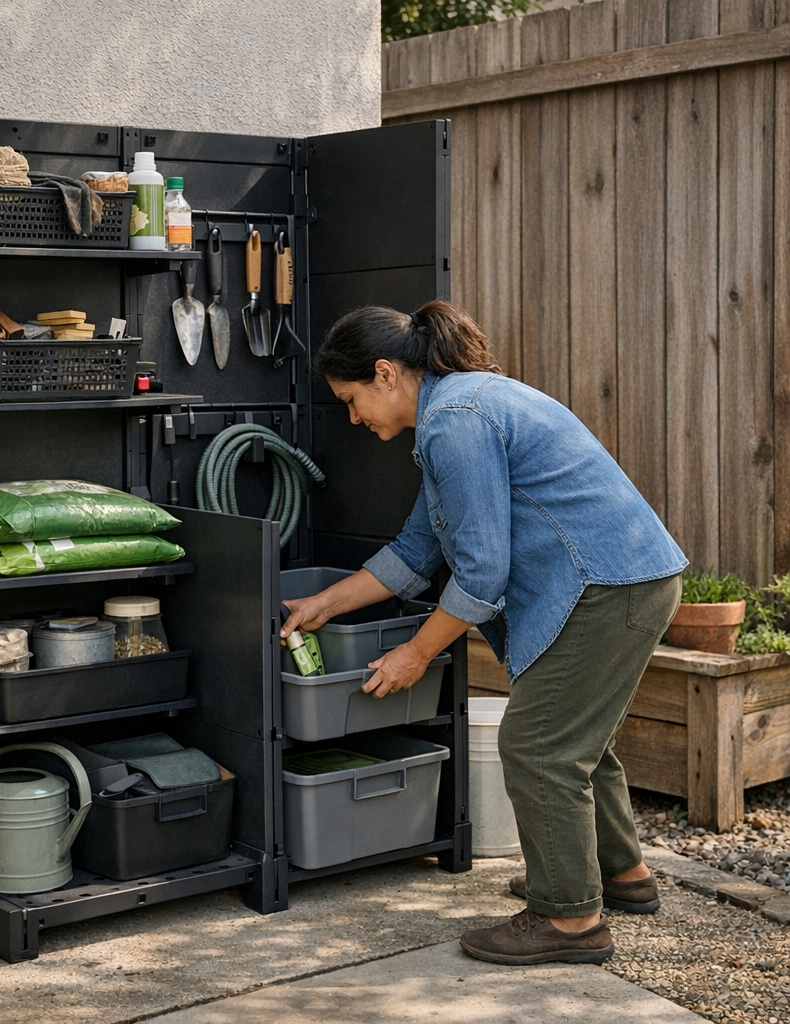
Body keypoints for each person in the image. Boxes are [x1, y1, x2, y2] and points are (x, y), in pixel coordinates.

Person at [280, 300, 687, 966]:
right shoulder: (453, 410)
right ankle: (619, 878)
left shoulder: (455, 422)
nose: (354, 419)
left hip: (607, 584)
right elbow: (417, 548)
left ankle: (571, 919)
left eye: (352, 401)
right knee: (574, 742)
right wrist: (326, 602)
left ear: (385, 373)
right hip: (628, 574)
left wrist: (415, 653)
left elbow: (481, 574)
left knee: (537, 745)